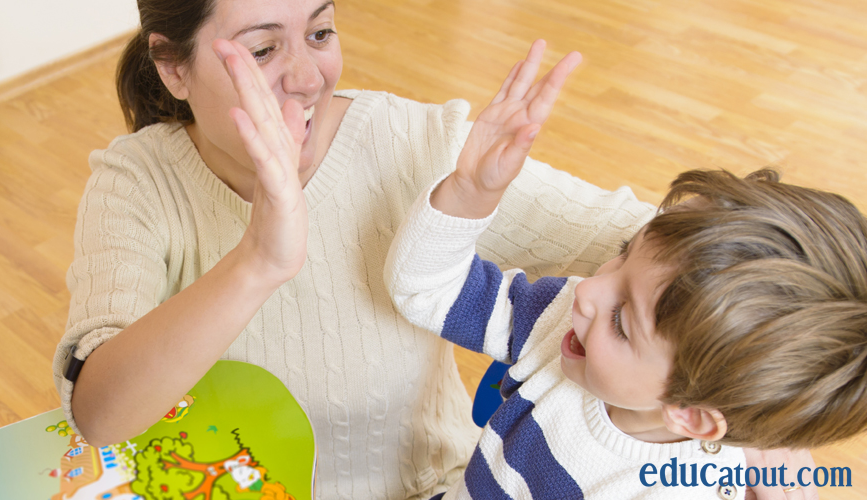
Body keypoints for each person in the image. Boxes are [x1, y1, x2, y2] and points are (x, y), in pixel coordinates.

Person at [51, 0, 818, 498]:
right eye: (260, 49)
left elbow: (649, 244)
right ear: (172, 66)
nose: (307, 75)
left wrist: (770, 395)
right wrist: (261, 259)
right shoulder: (136, 182)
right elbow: (101, 415)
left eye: (320, 32)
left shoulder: (419, 142)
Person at [385, 164, 867, 499]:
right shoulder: (560, 322)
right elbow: (426, 290)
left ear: (692, 417)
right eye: (622, 251)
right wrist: (470, 192)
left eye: (621, 319)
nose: (587, 290)